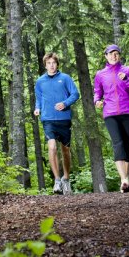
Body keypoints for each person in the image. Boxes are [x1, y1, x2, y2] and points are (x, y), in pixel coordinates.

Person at [93, 44, 129, 193]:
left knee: (127, 145)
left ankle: (125, 179)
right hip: (110, 114)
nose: (113, 56)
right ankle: (124, 179)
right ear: (106, 56)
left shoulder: (127, 70)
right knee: (118, 143)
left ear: (119, 55)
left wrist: (127, 79)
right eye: (110, 54)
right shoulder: (100, 74)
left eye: (116, 54)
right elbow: (97, 92)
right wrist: (97, 101)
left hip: (127, 112)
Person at [34, 52, 80, 195]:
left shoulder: (65, 78)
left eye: (53, 63)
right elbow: (39, 98)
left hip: (63, 119)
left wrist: (65, 103)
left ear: (57, 64)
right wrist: (37, 108)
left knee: (65, 151)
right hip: (48, 119)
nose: (51, 65)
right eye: (48, 63)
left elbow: (75, 94)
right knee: (52, 147)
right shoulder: (40, 81)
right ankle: (57, 180)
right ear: (45, 65)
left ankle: (66, 179)